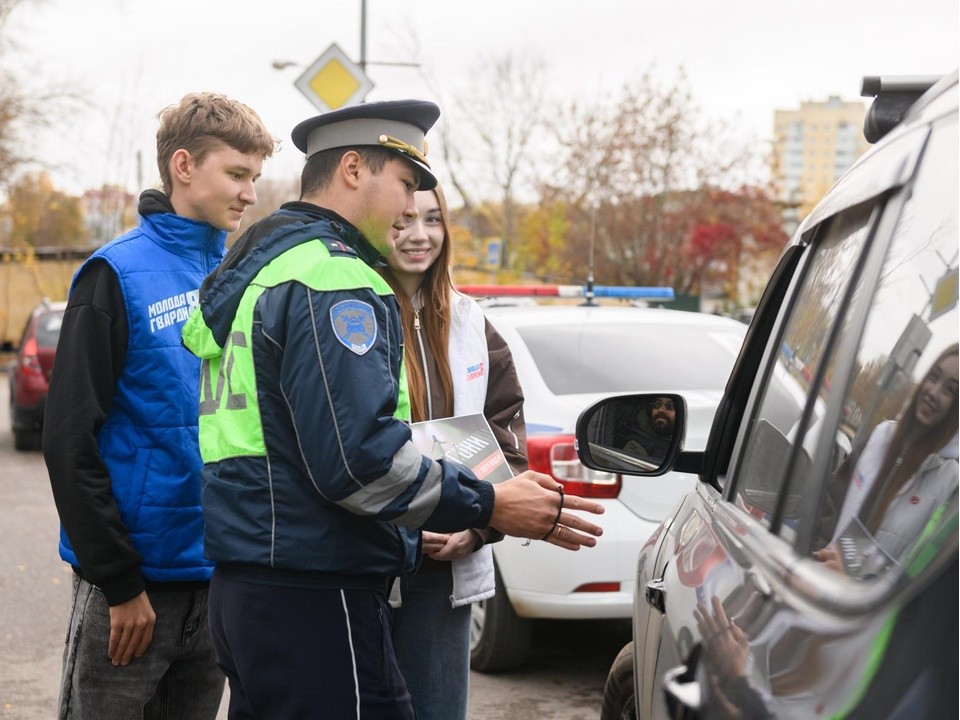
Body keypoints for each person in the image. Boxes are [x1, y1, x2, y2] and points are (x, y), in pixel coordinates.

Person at [180, 99, 604, 719]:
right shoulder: (333, 279)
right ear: (354, 169)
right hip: (316, 593)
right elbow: (358, 463)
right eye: (405, 183)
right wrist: (492, 502)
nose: (410, 208)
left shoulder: (261, 267)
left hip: (250, 583)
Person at [42, 93, 276, 719]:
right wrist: (119, 582)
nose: (250, 193)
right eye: (237, 173)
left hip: (219, 579)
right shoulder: (113, 274)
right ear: (182, 165)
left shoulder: (238, 277)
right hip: (133, 594)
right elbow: (68, 441)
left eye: (255, 177)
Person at [379, 184, 526, 719]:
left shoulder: (472, 324)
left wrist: (478, 526)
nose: (420, 236)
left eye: (433, 220)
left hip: (443, 575)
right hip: (364, 566)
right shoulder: (348, 313)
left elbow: (507, 448)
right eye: (403, 221)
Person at [814, 344, 959, 574]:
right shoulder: (881, 436)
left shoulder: (951, 483)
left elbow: (920, 573)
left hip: (865, 607)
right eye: (934, 377)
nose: (933, 391)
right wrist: (822, 556)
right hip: (818, 586)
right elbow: (829, 506)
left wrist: (856, 574)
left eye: (950, 390)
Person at [623, 395, 676, 460]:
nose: (661, 410)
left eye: (670, 406)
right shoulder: (636, 446)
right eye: (657, 404)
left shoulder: (682, 440)